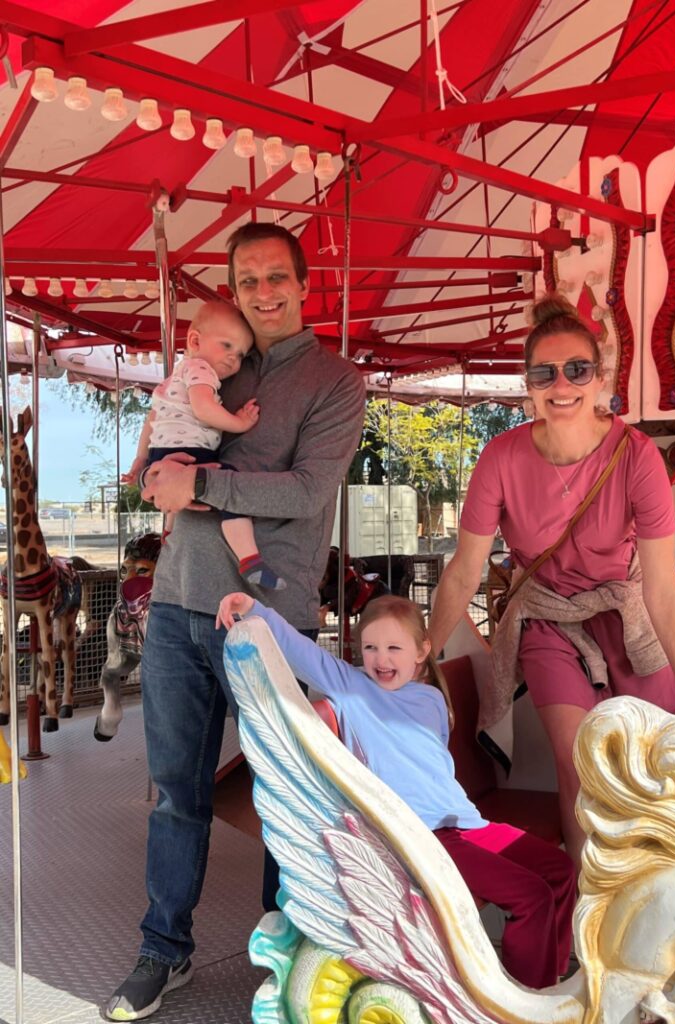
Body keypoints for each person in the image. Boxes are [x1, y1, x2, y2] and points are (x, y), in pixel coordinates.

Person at [101, 223, 366, 1023]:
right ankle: (163, 949)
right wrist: (156, 471)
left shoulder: (335, 380)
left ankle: (284, 952)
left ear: (302, 283)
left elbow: (305, 494)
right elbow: (152, 467)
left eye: (275, 277)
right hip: (180, 601)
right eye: (247, 280)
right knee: (175, 794)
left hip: (267, 615)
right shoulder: (214, 366)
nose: (262, 292)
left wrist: (201, 484)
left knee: (284, 793)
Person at [427, 294, 675, 864]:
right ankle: (585, 912)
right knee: (577, 763)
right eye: (544, 372)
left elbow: (662, 583)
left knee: (656, 759)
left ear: (599, 378)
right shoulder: (501, 458)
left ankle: (653, 892)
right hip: (549, 617)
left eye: (576, 369)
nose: (561, 384)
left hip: (627, 612)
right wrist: (425, 650)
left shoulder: (637, 456)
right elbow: (465, 569)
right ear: (528, 383)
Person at [217, 591, 577, 990]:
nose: (381, 660)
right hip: (422, 836)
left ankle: (551, 979)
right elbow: (301, 652)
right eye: (370, 647)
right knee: (531, 897)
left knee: (560, 872)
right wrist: (254, 609)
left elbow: (436, 767)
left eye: (393, 648)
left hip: (465, 824)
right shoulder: (352, 689)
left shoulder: (432, 699)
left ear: (422, 651)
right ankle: (523, 1001)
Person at [123, 300, 284, 591]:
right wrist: (240, 423)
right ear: (195, 340)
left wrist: (141, 460)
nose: (233, 360)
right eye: (226, 346)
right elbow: (203, 409)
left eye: (240, 354)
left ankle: (169, 532)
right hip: (192, 452)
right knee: (230, 490)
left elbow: (152, 420)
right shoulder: (201, 370)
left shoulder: (172, 379)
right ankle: (250, 559)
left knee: (179, 498)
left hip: (162, 454)